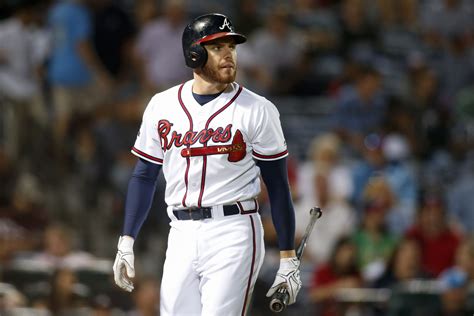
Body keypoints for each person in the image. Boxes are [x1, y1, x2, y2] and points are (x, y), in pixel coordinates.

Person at [112, 13, 302, 315]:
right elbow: (144, 176)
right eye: (217, 47)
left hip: (235, 228)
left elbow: (278, 185)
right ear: (194, 53)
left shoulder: (258, 109)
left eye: (232, 47)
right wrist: (126, 240)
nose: (229, 54)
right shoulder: (162, 105)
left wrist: (288, 256)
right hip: (181, 231)